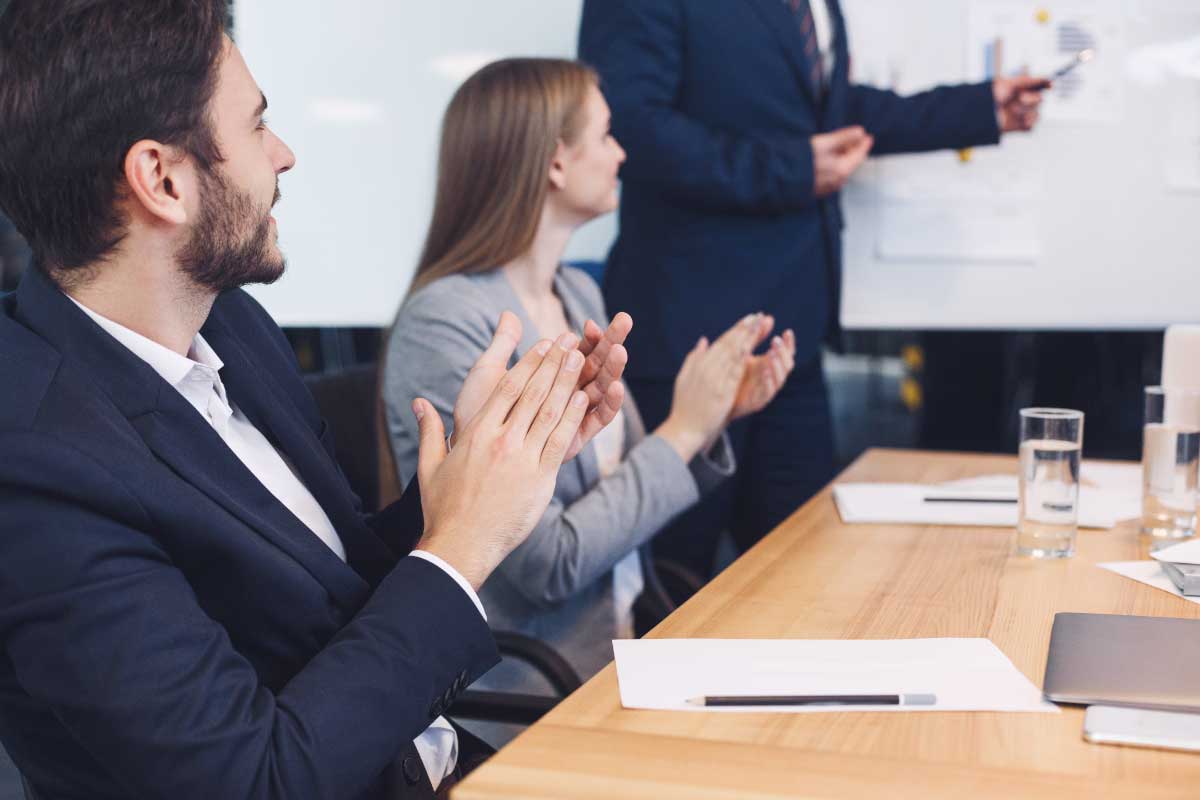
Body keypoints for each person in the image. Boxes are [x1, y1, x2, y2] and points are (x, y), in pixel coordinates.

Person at [0, 2, 631, 797]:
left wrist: (493, 459)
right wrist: (461, 545)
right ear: (162, 179)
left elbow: (326, 589)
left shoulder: (232, 324)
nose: (285, 155)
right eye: (258, 128)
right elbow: (255, 780)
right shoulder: (34, 468)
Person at [579, 0, 1049, 576]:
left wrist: (977, 108)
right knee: (672, 585)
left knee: (806, 576)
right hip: (688, 341)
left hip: (791, 341)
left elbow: (831, 110)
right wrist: (790, 169)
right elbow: (634, 126)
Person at [382, 59, 796, 703]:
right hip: (538, 689)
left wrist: (709, 416)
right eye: (606, 135)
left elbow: (624, 492)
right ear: (554, 163)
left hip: (627, 649)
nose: (622, 152)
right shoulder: (446, 322)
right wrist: (681, 433)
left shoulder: (577, 290)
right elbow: (548, 564)